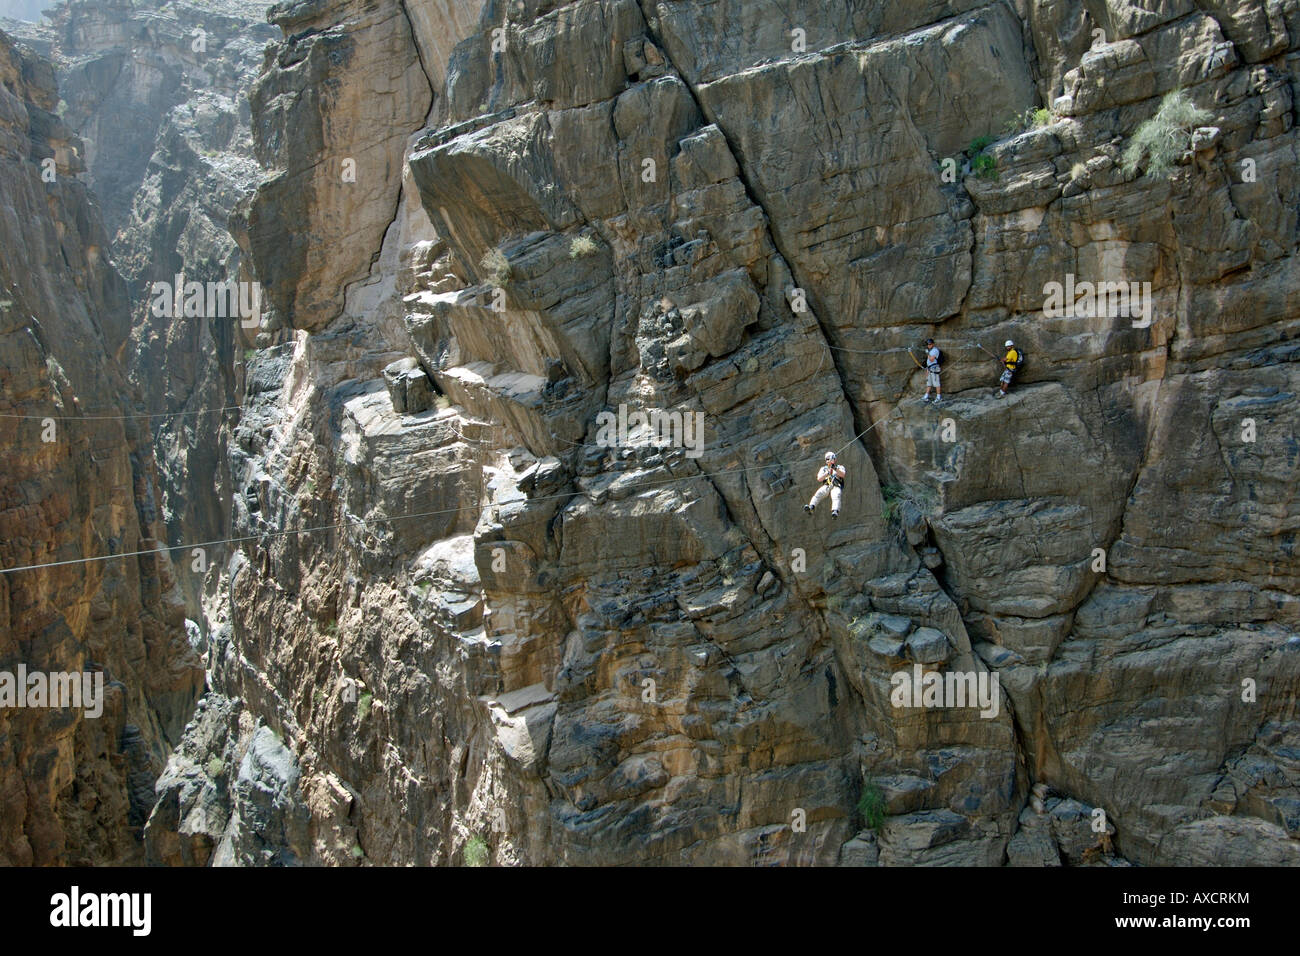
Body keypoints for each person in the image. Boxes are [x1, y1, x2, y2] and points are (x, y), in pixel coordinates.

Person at [804, 451, 846, 518]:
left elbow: (843, 474)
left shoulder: (839, 467)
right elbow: (819, 479)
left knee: (836, 495)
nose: (828, 460)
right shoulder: (823, 469)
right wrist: (827, 473)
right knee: (818, 493)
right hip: (827, 485)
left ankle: (835, 511)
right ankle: (811, 506)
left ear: (834, 459)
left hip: (836, 485)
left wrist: (835, 468)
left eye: (829, 458)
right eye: (827, 459)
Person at [921, 338, 942, 405]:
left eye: (930, 344)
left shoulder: (935, 350)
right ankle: (926, 396)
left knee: (936, 383)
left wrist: (927, 353)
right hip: (930, 368)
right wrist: (927, 369)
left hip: (934, 368)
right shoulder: (931, 351)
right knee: (929, 383)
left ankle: (939, 397)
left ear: (933, 344)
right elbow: (929, 361)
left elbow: (931, 359)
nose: (928, 345)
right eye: (928, 344)